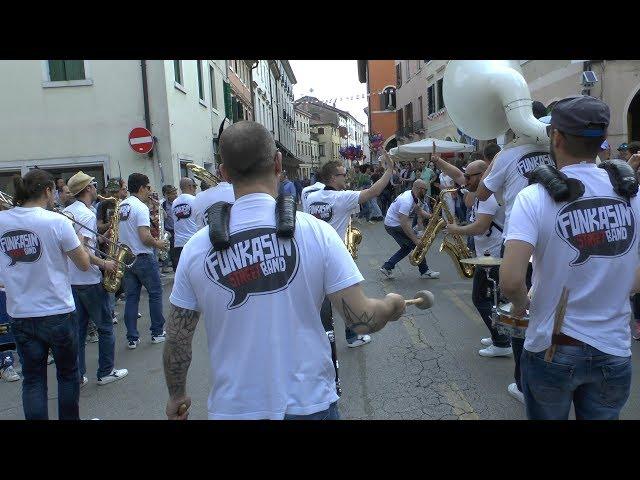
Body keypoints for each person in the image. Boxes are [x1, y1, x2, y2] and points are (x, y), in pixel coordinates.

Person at [163, 121, 406, 420]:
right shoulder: (318, 232)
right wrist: (392, 305)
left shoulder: (196, 248)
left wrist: (177, 395)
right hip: (310, 405)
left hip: (233, 410)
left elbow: (177, 337)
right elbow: (361, 320)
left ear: (224, 174)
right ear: (279, 163)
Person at [500, 95, 640, 420]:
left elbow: (509, 282)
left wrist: (524, 306)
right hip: (613, 347)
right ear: (603, 141)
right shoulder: (631, 193)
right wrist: (618, 287)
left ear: (556, 137)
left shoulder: (533, 197)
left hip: (552, 345)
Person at [476, 100, 551, 404]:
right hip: (558, 236)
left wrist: (496, 163)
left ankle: (523, 384)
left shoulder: (508, 154)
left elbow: (480, 193)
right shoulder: (557, 148)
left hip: (520, 238)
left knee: (519, 312)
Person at [0, 169, 90, 419]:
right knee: (67, 374)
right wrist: (79, 238)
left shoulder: (1, 220)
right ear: (48, 190)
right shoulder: (57, 221)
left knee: (32, 379)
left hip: (20, 312)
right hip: (57, 311)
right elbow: (83, 264)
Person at [306, 153, 395, 348]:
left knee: (320, 302)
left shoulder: (310, 198)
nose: (346, 177)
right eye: (342, 174)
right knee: (348, 300)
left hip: (312, 256)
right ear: (332, 178)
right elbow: (374, 191)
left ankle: (320, 339)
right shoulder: (342, 198)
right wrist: (389, 170)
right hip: (335, 256)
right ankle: (352, 337)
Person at [437, 160, 509, 356]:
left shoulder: (488, 197)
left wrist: (456, 230)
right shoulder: (479, 190)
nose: (465, 180)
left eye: (470, 176)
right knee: (492, 299)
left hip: (492, 256)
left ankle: (502, 341)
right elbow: (458, 176)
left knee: (481, 299)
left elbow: (481, 227)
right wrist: (438, 161)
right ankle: (499, 334)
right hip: (486, 253)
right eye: (465, 176)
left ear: (483, 175)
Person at [63, 171, 128, 386]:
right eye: (93, 184)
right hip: (89, 280)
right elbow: (83, 250)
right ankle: (106, 371)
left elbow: (77, 244)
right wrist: (105, 264)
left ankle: (78, 375)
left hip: (71, 280)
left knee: (79, 331)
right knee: (105, 327)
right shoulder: (87, 214)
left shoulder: (67, 212)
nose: (96, 187)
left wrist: (103, 236)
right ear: (88, 189)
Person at [118, 173, 169, 349]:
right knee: (155, 294)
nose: (150, 191)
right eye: (148, 187)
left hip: (126, 258)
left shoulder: (122, 206)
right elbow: (145, 236)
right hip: (143, 256)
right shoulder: (140, 207)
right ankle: (157, 332)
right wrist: (159, 244)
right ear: (141, 188)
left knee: (132, 298)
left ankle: (132, 338)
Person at [379, 178, 440, 280]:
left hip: (392, 224)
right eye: (425, 190)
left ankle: (387, 267)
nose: (426, 192)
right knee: (417, 246)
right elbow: (404, 223)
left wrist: (431, 216)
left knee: (406, 247)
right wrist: (415, 240)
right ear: (420, 189)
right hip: (394, 225)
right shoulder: (407, 201)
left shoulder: (412, 195)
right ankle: (424, 271)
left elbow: (418, 210)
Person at [96, 178, 127, 324]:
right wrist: (113, 221)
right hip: (107, 248)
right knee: (110, 282)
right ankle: (110, 312)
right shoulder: (103, 205)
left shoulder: (125, 203)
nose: (123, 192)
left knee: (122, 282)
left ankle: (115, 308)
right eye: (122, 189)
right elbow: (99, 226)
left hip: (121, 246)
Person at [171, 178, 199, 269]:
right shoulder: (195, 200)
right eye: (194, 186)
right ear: (190, 186)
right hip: (193, 242)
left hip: (179, 243)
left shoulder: (175, 202)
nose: (195, 189)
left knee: (182, 273)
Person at [161, 185, 177, 273]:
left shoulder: (177, 202)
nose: (176, 195)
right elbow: (163, 217)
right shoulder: (163, 204)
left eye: (176, 193)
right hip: (169, 230)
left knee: (175, 250)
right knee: (170, 250)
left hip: (177, 230)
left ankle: (175, 267)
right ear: (167, 195)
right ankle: (166, 266)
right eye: (173, 193)